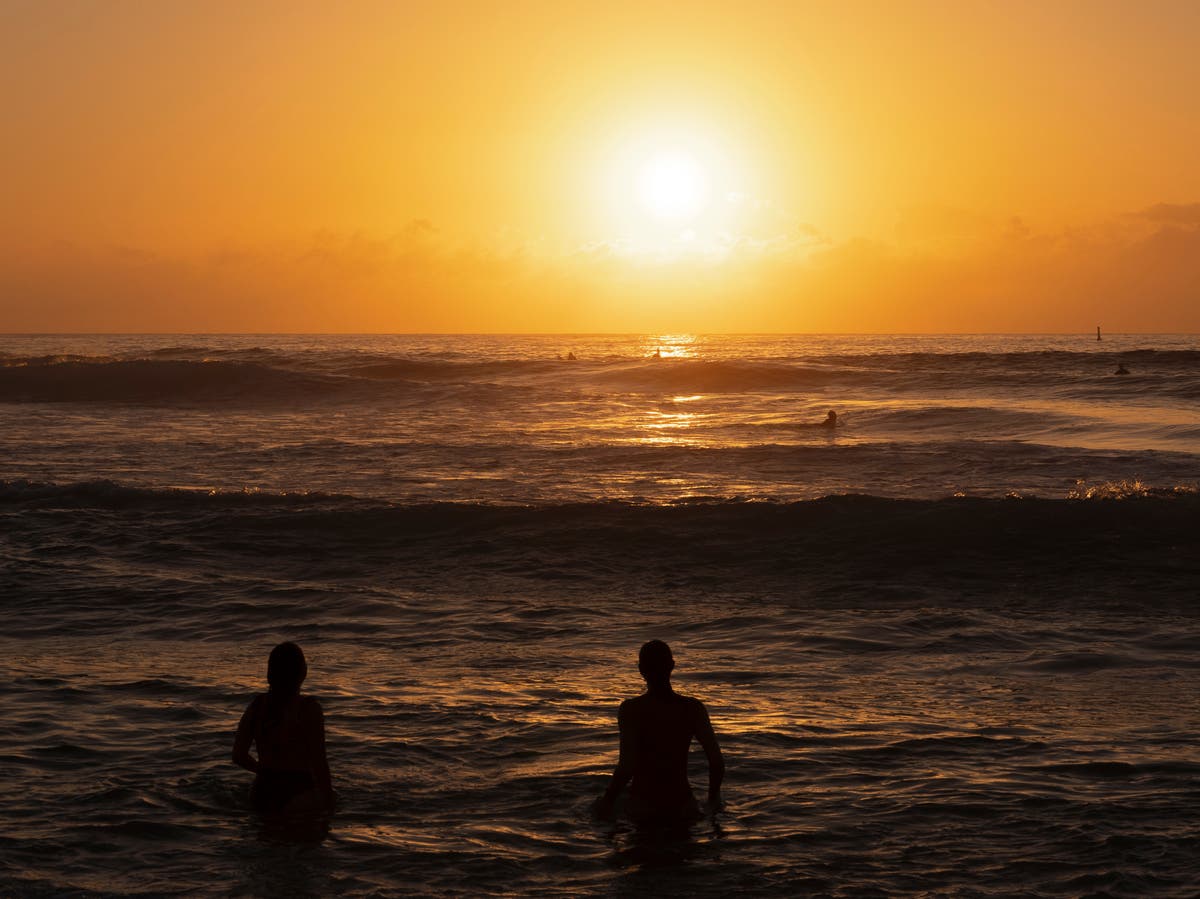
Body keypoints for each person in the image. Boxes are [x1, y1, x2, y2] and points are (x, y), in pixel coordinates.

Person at [595, 640, 724, 823]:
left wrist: (608, 800)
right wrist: (713, 799)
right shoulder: (692, 708)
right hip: (683, 804)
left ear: (641, 669)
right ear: (672, 665)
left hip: (644, 805)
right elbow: (716, 761)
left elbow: (627, 766)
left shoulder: (632, 709)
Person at [233, 642, 333, 815]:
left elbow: (238, 756)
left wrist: (266, 772)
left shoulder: (257, 706)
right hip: (298, 792)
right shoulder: (309, 708)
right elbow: (319, 763)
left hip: (261, 791)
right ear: (303, 672)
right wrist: (329, 800)